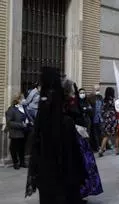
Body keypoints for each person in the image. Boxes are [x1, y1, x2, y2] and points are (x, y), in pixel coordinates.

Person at [25, 67, 85, 204]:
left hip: (46, 178)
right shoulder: (66, 123)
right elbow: (73, 159)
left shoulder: (41, 125)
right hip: (62, 179)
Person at [62, 79, 103, 199]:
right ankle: (78, 192)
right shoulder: (68, 102)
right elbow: (75, 114)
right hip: (74, 136)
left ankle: (79, 192)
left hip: (76, 134)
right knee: (81, 164)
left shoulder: (72, 101)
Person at [5, 93, 30, 170]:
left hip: (24, 131)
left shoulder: (24, 107)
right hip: (15, 132)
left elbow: (27, 116)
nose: (24, 100)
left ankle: (22, 162)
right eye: (22, 98)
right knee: (14, 148)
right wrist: (21, 125)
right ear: (18, 100)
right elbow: (9, 122)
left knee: (22, 148)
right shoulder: (11, 109)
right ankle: (15, 162)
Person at [99, 87, 119, 157]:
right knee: (117, 135)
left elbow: (101, 111)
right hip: (113, 119)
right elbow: (117, 109)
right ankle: (117, 151)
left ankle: (101, 150)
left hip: (106, 121)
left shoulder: (104, 100)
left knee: (106, 136)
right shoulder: (113, 100)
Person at [88, 85, 104, 152]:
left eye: (98, 90)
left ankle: (101, 146)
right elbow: (89, 107)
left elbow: (102, 106)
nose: (98, 91)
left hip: (100, 117)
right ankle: (97, 147)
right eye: (96, 90)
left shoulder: (100, 97)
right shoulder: (90, 97)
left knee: (100, 132)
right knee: (94, 133)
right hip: (94, 118)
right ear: (93, 90)